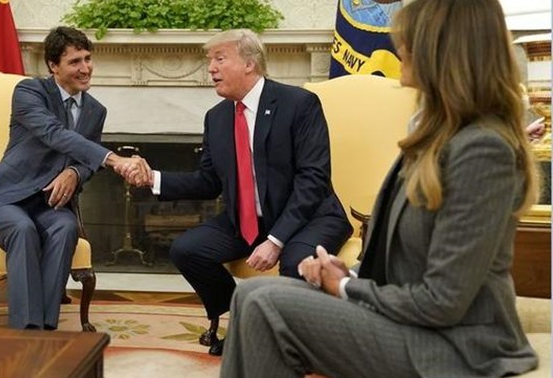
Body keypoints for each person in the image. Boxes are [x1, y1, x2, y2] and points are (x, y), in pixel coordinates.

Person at [220, 0, 541, 376]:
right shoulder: (433, 134)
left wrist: (343, 288)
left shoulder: (483, 150)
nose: (396, 54)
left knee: (265, 306)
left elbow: (443, 301)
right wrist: (347, 273)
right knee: (249, 293)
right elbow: (402, 257)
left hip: (457, 346)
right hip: (417, 326)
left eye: (405, 43)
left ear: (440, 51)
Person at [120, 29, 352, 355]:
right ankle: (247, 321)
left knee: (296, 260)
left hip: (309, 216)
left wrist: (275, 241)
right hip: (248, 217)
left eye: (219, 58)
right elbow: (208, 181)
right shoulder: (217, 118)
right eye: (209, 60)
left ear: (249, 63)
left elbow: (312, 180)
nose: (210, 68)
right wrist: (153, 179)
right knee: (188, 249)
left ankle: (290, 345)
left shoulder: (298, 104)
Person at [0, 26, 136, 330]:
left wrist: (74, 172)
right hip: (6, 199)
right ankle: (27, 331)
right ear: (53, 66)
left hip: (50, 205)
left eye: (87, 59)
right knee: (22, 229)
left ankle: (46, 329)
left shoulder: (96, 110)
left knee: (66, 226)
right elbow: (53, 134)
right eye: (74, 62)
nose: (85, 68)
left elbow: (85, 160)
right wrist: (111, 159)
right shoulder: (29, 92)